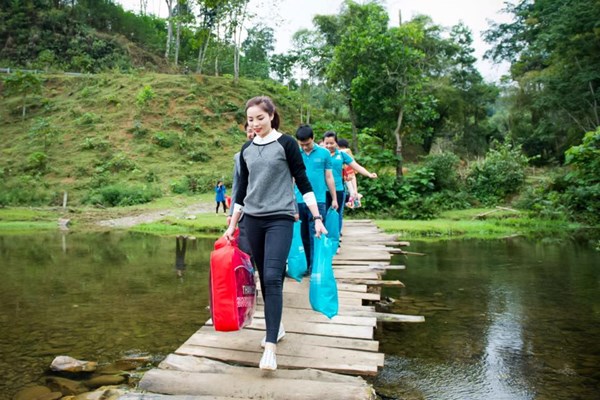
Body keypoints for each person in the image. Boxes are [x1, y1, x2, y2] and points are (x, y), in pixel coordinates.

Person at [224, 96, 326, 371]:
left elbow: (303, 182)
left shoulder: (286, 144)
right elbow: (242, 192)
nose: (255, 123)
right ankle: (276, 326)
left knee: (271, 276)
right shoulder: (246, 149)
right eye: (250, 119)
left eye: (260, 118)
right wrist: (232, 226)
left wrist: (316, 216)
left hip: (280, 218)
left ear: (271, 116)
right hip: (253, 221)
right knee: (263, 277)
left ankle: (270, 346)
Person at [294, 125, 338, 273]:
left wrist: (334, 198)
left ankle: (316, 266)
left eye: (307, 143)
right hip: (299, 200)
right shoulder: (295, 154)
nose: (305, 147)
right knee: (303, 235)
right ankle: (306, 265)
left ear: (313, 138)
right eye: (302, 144)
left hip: (318, 200)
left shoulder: (324, 153)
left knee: (316, 234)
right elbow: (291, 178)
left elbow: (329, 177)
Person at [323, 132, 377, 232]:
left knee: (336, 215)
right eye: (327, 143)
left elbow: (355, 166)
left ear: (336, 143)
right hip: (323, 190)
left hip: (338, 189)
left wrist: (368, 174)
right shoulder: (321, 154)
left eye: (332, 143)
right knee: (323, 214)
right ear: (323, 143)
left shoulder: (342, 155)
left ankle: (335, 238)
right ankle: (324, 239)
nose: (329, 146)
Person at [227, 122, 256, 255]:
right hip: (244, 211)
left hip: (267, 210)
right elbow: (236, 186)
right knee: (245, 250)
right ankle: (249, 275)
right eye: (249, 131)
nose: (252, 134)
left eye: (254, 130)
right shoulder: (239, 157)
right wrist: (231, 213)